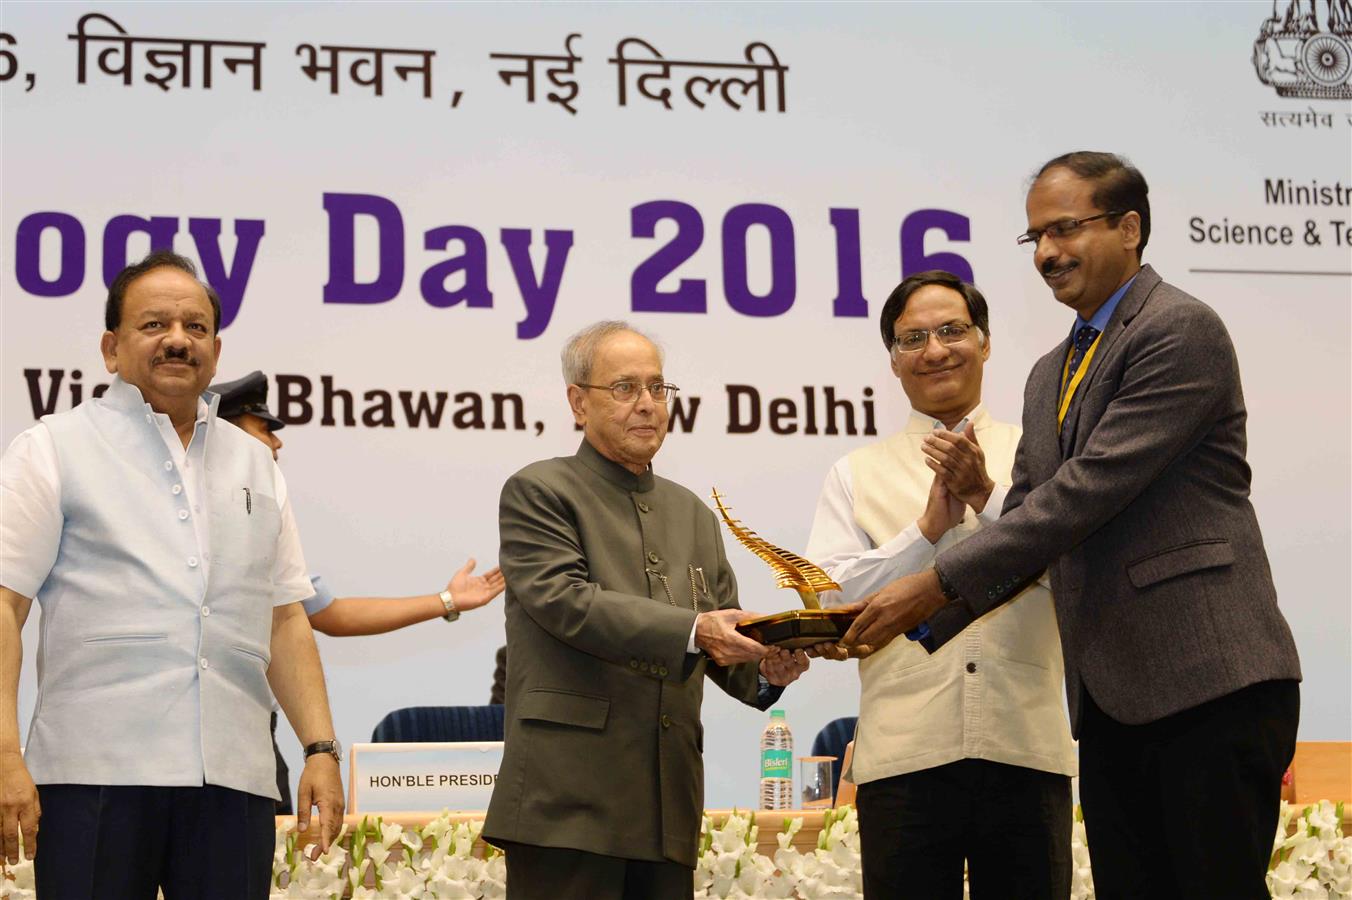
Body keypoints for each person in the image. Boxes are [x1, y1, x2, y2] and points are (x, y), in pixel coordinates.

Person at [838, 152, 1302, 899]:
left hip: (1206, 676)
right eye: (1035, 239)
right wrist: (912, 617)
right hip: (1114, 695)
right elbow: (1025, 517)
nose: (1048, 253)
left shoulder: (1179, 329)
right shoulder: (1051, 370)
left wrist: (928, 589)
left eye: (1065, 229)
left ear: (1128, 227)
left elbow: (1085, 493)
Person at [0, 250, 344, 898]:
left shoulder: (257, 465)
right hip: (91, 778)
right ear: (111, 347)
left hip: (234, 784)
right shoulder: (51, 447)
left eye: (195, 327)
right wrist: (2, 754)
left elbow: (285, 616)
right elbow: (4, 606)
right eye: (154, 325)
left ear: (216, 347)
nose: (178, 340)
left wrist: (320, 748)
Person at [483, 320, 810, 900]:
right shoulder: (539, 491)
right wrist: (696, 628)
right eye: (626, 388)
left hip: (667, 808)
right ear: (578, 403)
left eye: (658, 389)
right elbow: (568, 602)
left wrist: (763, 668)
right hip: (567, 807)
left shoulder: (693, 515)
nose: (648, 405)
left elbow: (719, 633)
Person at [805, 270, 1076, 899]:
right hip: (904, 758)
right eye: (913, 339)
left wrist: (989, 496)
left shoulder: (1046, 455)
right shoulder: (854, 473)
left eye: (952, 330)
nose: (934, 349)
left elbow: (1080, 573)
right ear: (894, 363)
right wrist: (924, 532)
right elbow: (829, 604)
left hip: (1026, 747)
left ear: (985, 343)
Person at [210, 369, 506, 813]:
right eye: (264, 428)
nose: (278, 442)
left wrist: (447, 601)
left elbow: (327, 614)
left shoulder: (268, 513)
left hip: (254, 734)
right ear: (225, 432)